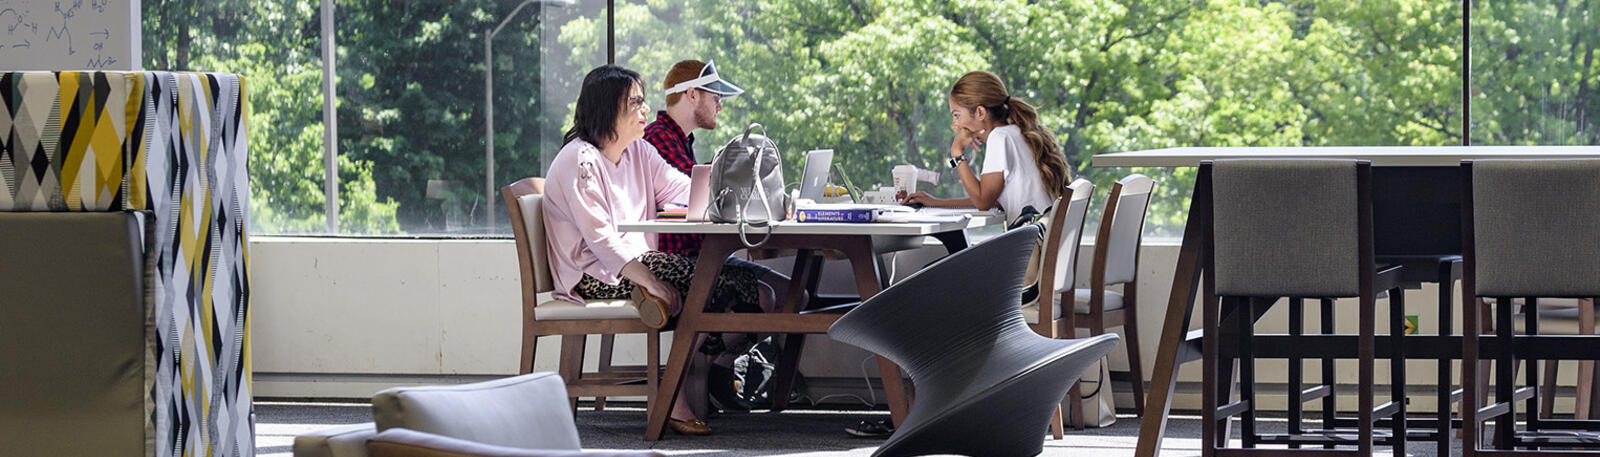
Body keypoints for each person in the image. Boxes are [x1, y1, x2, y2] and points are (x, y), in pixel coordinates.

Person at [542, 64, 789, 436]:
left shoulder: (638, 151)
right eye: (636, 102)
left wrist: (757, 200)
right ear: (609, 108)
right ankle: (673, 394)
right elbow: (601, 241)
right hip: (595, 275)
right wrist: (651, 282)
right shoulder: (581, 160)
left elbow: (687, 190)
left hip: (636, 263)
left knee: (754, 288)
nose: (646, 110)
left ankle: (685, 383)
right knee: (721, 286)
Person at [639, 59, 770, 413]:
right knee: (766, 297)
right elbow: (683, 204)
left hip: (697, 255)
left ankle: (712, 374)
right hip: (679, 259)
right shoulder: (657, 141)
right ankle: (695, 379)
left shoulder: (680, 141)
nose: (720, 105)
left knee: (784, 293)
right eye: (715, 97)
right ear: (692, 95)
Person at [901, 71, 1072, 226]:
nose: (955, 125)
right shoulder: (1017, 133)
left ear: (980, 113)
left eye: (957, 115)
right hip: (1040, 242)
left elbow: (984, 202)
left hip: (1028, 251)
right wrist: (936, 202)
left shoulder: (1000, 138)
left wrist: (957, 154)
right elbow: (993, 199)